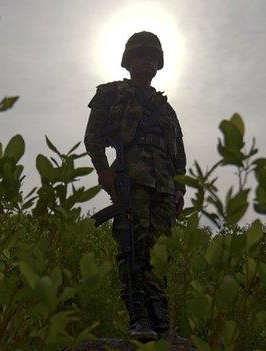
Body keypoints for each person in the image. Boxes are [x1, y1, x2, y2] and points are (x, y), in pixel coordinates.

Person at [84, 31, 187, 342]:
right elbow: (93, 137)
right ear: (128, 61)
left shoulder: (165, 108)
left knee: (160, 254)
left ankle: (162, 325)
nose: (148, 61)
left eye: (153, 57)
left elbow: (178, 152)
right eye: (141, 56)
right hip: (132, 183)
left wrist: (180, 188)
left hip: (164, 189)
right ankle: (138, 319)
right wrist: (104, 171)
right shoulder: (112, 94)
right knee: (133, 250)